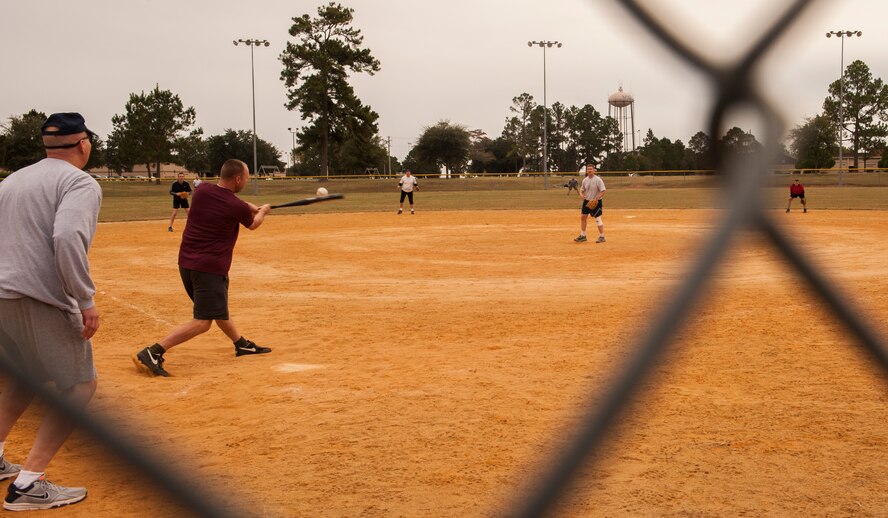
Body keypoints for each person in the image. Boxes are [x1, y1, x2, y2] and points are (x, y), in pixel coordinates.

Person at [0, 113, 101, 510]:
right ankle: (28, 484)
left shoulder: (13, 180)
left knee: (28, 375)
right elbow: (66, 236)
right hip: (38, 296)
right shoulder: (78, 181)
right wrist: (84, 299)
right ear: (83, 144)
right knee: (79, 385)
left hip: (2, 294)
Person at [134, 159, 272, 377]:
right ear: (237, 179)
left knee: (217, 309)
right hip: (209, 268)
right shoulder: (235, 206)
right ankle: (154, 352)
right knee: (203, 322)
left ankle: (241, 344)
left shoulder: (202, 191)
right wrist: (262, 211)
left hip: (187, 264)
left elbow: (229, 202)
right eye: (246, 178)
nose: (246, 181)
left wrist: (248, 206)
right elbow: (253, 224)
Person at [574, 164, 607, 243]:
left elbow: (603, 191)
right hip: (587, 201)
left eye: (591, 169)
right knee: (583, 217)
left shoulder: (598, 180)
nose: (589, 170)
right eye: (588, 169)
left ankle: (602, 236)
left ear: (594, 170)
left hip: (596, 201)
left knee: (598, 219)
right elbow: (582, 190)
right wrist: (582, 195)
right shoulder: (585, 180)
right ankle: (583, 235)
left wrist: (597, 198)